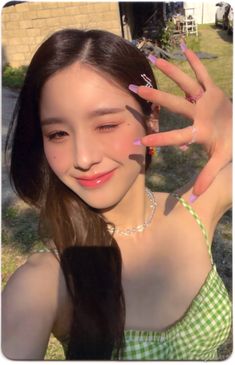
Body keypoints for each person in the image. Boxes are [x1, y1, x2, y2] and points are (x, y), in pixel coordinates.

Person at [2, 28, 232, 360]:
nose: (83, 158)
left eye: (106, 125)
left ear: (151, 119)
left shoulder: (196, 207)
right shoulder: (46, 279)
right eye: (58, 133)